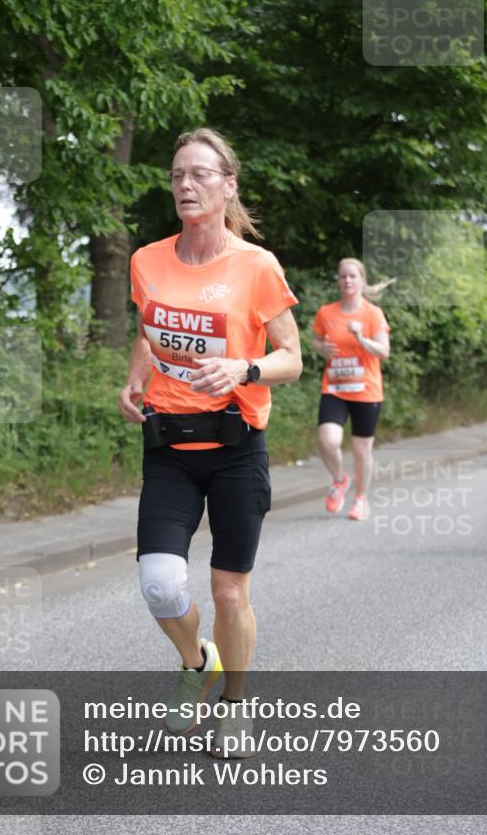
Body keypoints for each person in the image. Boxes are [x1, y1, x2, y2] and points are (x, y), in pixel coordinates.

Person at [117, 127, 302, 757]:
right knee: (161, 585)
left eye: (200, 174)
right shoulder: (148, 260)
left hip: (235, 447)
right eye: (177, 176)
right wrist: (135, 377)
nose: (186, 186)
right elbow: (150, 328)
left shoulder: (256, 266)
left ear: (228, 185)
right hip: (168, 445)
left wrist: (244, 369)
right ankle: (197, 661)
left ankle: (235, 705)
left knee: (229, 590)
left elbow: (292, 358)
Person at [312, 259, 392, 521]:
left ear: (362, 280)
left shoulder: (372, 314)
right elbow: (315, 341)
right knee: (328, 440)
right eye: (343, 276)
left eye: (353, 276)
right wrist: (322, 349)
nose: (347, 280)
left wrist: (361, 339)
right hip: (334, 388)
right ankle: (339, 480)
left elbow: (384, 351)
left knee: (361, 450)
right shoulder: (326, 313)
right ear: (338, 280)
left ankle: (361, 499)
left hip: (366, 391)